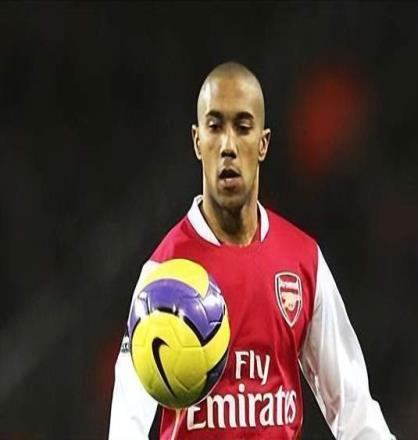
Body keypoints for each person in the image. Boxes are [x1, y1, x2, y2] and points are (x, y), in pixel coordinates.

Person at [109, 62, 396, 439]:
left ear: (263, 143)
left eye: (243, 127)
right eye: (215, 126)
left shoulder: (302, 260)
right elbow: (126, 422)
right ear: (197, 141)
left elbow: (353, 408)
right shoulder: (165, 274)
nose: (228, 146)